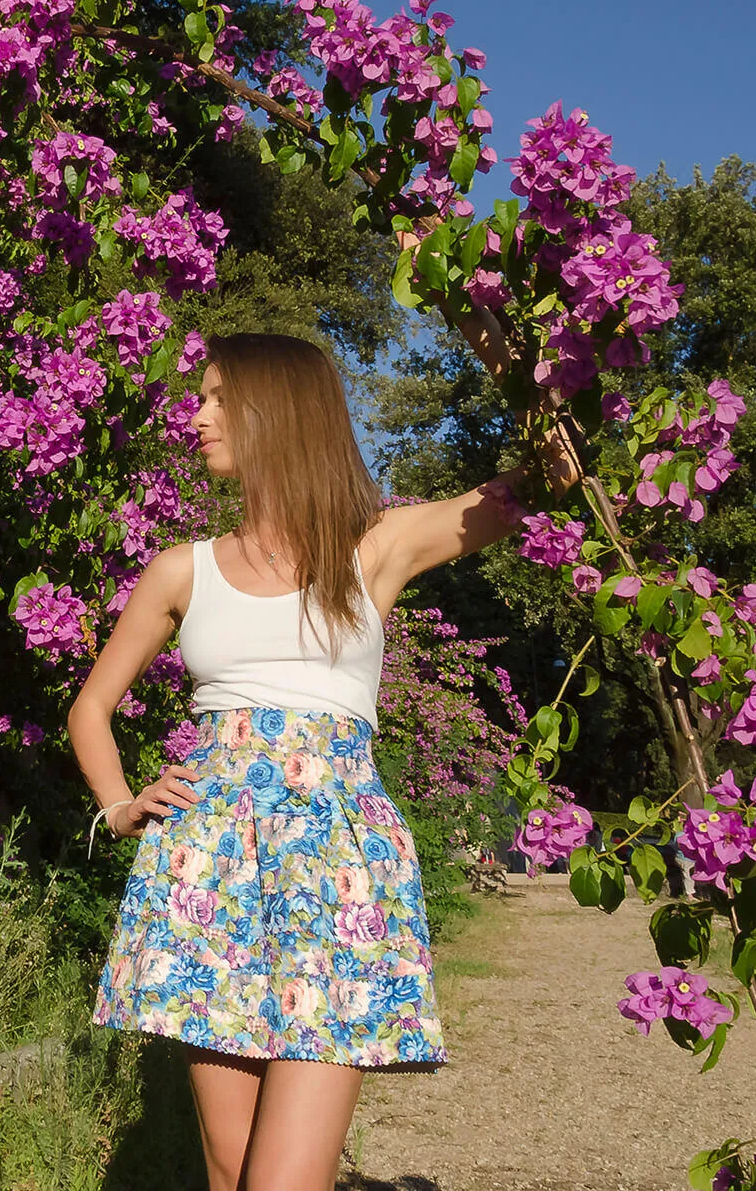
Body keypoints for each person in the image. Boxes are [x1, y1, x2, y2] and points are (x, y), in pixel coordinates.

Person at [68, 304, 582, 1191]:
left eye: (219, 399)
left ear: (281, 411)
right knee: (229, 1174)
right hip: (207, 872)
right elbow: (92, 708)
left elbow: (555, 475)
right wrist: (119, 808)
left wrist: (493, 333)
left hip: (336, 873)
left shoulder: (375, 548)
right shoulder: (180, 569)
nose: (197, 418)